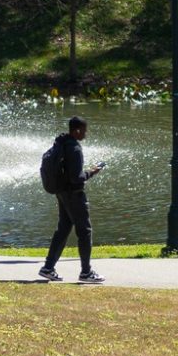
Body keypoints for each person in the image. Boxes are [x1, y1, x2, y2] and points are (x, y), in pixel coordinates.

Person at [39, 115, 104, 283]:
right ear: (76, 130)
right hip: (74, 194)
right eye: (83, 130)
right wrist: (92, 172)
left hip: (62, 192)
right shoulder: (74, 148)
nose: (85, 134)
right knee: (85, 231)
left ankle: (48, 268)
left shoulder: (62, 143)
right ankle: (86, 272)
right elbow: (77, 178)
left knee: (63, 229)